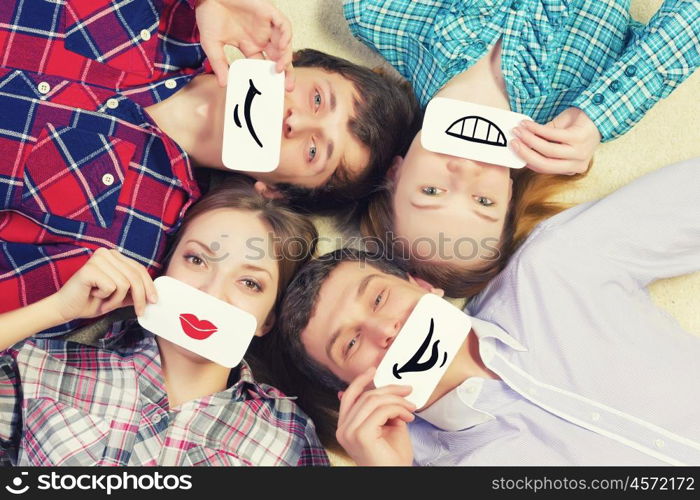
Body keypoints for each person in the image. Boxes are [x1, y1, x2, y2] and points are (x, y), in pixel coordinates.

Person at [0, 0, 419, 332]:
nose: (296, 121)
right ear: (298, 61)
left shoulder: (131, 242)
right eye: (317, 99)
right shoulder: (181, 14)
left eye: (314, 151)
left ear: (274, 189)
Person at [274, 157, 700, 465]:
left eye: (379, 298)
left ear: (423, 285)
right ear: (352, 392)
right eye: (350, 343)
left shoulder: (551, 271)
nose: (382, 330)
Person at [352, 0, 699, 296]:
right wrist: (602, 114)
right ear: (509, 191)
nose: (466, 172)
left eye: (432, 190)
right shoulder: (589, 101)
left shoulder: (375, 14)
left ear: (395, 172)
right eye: (483, 201)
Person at [0, 177, 330, 466]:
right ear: (166, 268)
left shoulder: (289, 438)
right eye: (197, 259)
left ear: (267, 320)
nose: (212, 293)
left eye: (250, 283)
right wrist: (57, 309)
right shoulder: (42, 368)